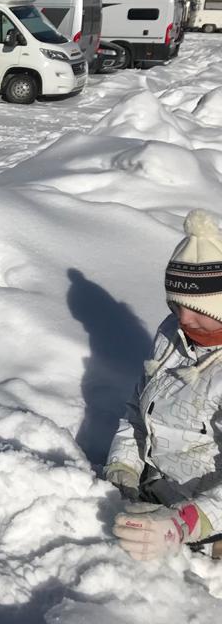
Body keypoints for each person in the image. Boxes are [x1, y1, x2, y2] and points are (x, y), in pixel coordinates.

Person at [106, 209, 222, 561]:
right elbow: (138, 411)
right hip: (155, 500)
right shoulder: (172, 334)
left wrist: (185, 522)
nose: (184, 318)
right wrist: (122, 469)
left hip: (205, 521)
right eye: (176, 303)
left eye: (198, 309)